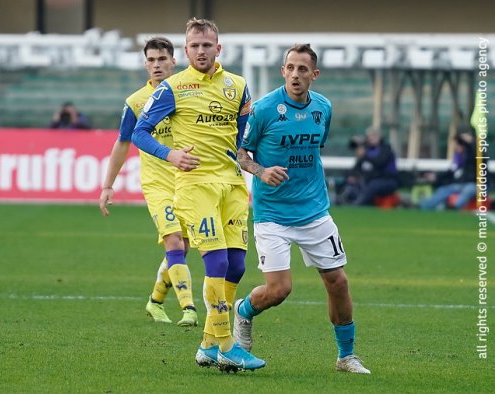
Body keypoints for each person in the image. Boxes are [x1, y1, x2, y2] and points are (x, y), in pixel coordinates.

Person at [132, 17, 265, 372]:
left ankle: (207, 344)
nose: (201, 51)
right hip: (194, 186)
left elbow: (241, 137)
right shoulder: (171, 88)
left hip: (233, 185)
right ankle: (227, 344)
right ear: (186, 50)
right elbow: (140, 133)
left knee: (236, 265)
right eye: (194, 46)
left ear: (218, 48)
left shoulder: (238, 86)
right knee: (217, 263)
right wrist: (170, 154)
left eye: (207, 45)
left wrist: (250, 165)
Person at [233, 43, 371, 374]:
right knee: (279, 291)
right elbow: (239, 154)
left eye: (303, 69)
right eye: (290, 68)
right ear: (283, 71)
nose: (296, 74)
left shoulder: (323, 107)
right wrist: (262, 172)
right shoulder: (264, 109)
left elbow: (312, 153)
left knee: (337, 281)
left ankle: (346, 356)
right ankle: (243, 311)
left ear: (315, 75)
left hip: (314, 211)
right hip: (272, 215)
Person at [99, 37, 197, 327]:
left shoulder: (186, 93)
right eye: (151, 60)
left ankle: (155, 302)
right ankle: (189, 309)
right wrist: (107, 185)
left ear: (173, 61)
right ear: (145, 64)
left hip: (188, 182)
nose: (157, 65)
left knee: (183, 248)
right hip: (157, 185)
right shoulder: (136, 102)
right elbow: (122, 143)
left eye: (162, 59)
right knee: (175, 242)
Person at [418, 132, 478, 210]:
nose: (455, 147)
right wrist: (436, 177)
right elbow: (451, 171)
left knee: (468, 190)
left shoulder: (474, 155)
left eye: (456, 145)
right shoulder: (459, 157)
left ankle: (454, 207)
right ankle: (424, 206)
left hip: (475, 184)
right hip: (460, 184)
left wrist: (472, 142)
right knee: (443, 190)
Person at [347, 129, 399, 206]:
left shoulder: (386, 149)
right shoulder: (367, 150)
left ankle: (359, 205)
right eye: (369, 137)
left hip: (387, 180)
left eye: (374, 136)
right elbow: (357, 167)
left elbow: (380, 163)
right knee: (351, 184)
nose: (371, 139)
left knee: (372, 186)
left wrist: (365, 155)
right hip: (370, 180)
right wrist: (352, 176)